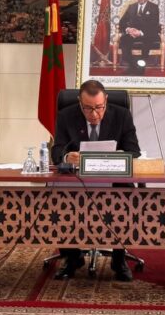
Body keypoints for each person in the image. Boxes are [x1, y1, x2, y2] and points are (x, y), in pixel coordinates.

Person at [51, 79, 141, 281]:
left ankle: (119, 259)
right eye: (88, 108)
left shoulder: (122, 115)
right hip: (78, 180)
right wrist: (67, 156)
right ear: (79, 103)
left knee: (125, 195)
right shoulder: (66, 116)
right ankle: (72, 257)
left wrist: (118, 156)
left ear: (106, 100)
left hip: (113, 179)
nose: (94, 114)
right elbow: (57, 151)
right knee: (59, 197)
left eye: (99, 108)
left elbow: (134, 151)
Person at [118, 0, 160, 75]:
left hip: (147, 34)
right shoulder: (131, 7)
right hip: (132, 34)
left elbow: (154, 25)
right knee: (124, 40)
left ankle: (140, 69)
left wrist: (140, 33)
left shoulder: (154, 7)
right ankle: (133, 66)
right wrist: (129, 29)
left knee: (147, 41)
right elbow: (122, 22)